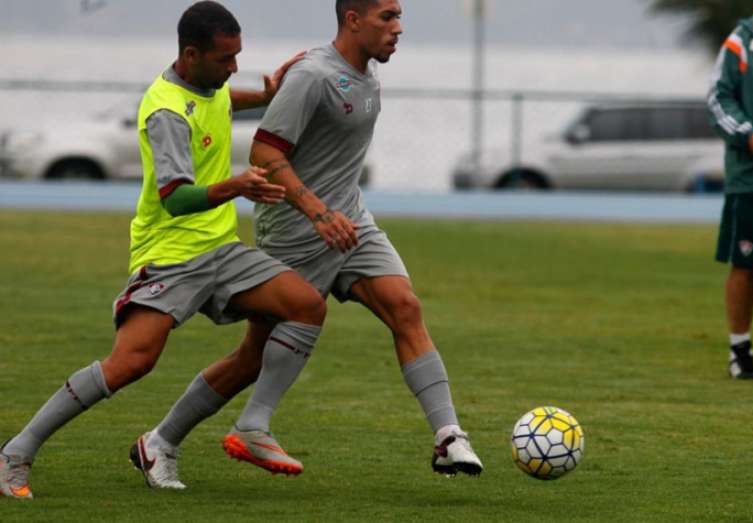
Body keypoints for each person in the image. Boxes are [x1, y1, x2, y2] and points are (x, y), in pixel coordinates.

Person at [141, 0, 483, 487]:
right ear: (353, 19)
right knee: (251, 357)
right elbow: (265, 151)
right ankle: (164, 439)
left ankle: (449, 436)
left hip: (352, 224)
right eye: (387, 17)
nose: (398, 28)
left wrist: (337, 212)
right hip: (296, 232)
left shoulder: (366, 75)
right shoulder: (314, 74)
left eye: (399, 16)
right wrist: (317, 211)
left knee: (405, 306)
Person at [0, 1, 325, 499]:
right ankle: (15, 454)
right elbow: (176, 199)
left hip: (222, 250)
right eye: (225, 59)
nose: (233, 67)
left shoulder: (206, 84)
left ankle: (189, 437)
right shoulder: (167, 112)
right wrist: (237, 186)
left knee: (305, 306)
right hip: (171, 257)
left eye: (238, 56)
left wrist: (264, 94)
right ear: (191, 55)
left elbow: (219, 103)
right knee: (130, 363)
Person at [709, 0, 753, 380]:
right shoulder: (741, 40)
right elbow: (718, 97)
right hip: (752, 176)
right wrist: (747, 135)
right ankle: (740, 350)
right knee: (746, 264)